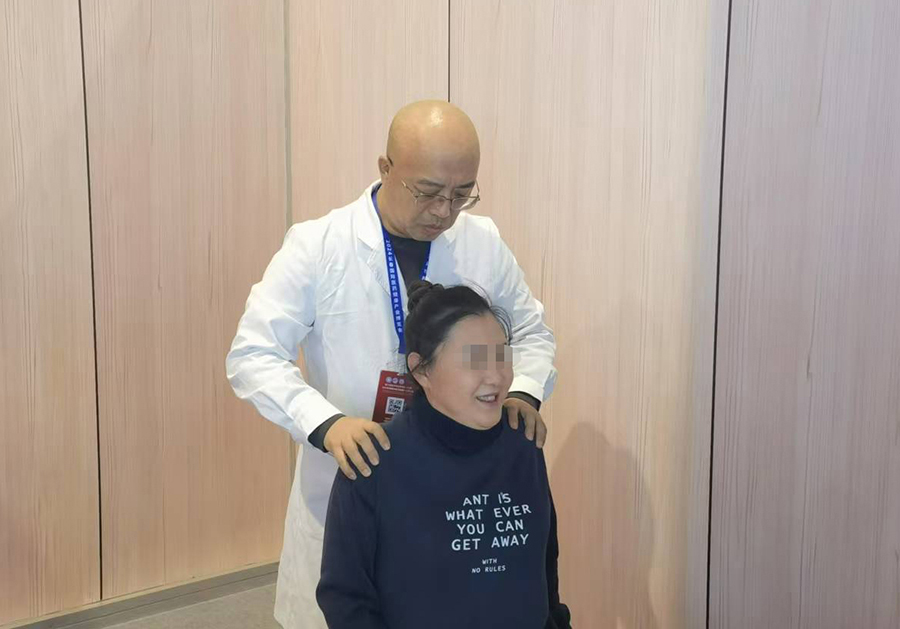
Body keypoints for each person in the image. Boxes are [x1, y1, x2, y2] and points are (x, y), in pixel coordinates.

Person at [226, 101, 558, 629]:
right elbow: (253, 354)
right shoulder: (318, 245)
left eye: (461, 193)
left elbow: (532, 333)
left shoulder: (482, 243)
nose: (444, 211)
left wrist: (523, 392)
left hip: (448, 488)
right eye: (428, 192)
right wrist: (326, 424)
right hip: (353, 476)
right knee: (348, 605)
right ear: (385, 168)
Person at [317, 281, 571, 629]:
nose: (496, 376)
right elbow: (345, 599)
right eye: (473, 360)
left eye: (502, 355)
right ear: (421, 369)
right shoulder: (375, 459)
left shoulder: (522, 440)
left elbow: (543, 568)